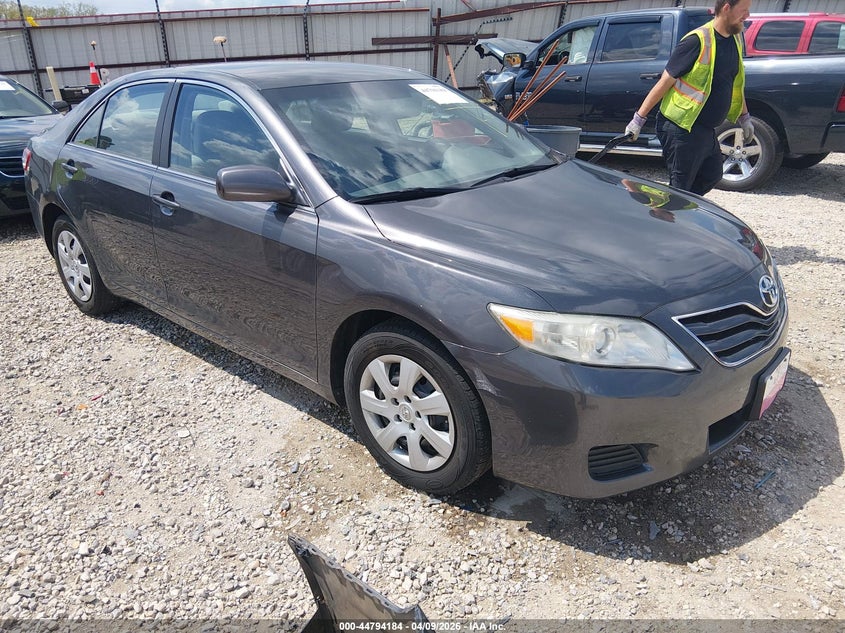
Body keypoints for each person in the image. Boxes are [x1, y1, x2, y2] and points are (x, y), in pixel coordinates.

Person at [625, 0, 753, 196]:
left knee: (712, 174)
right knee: (680, 187)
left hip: (705, 129)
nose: (747, 15)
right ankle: (668, 215)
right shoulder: (697, 40)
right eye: (743, 10)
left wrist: (745, 118)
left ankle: (672, 211)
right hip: (681, 127)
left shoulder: (734, 41)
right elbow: (664, 81)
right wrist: (638, 119)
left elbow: (734, 85)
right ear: (726, 8)